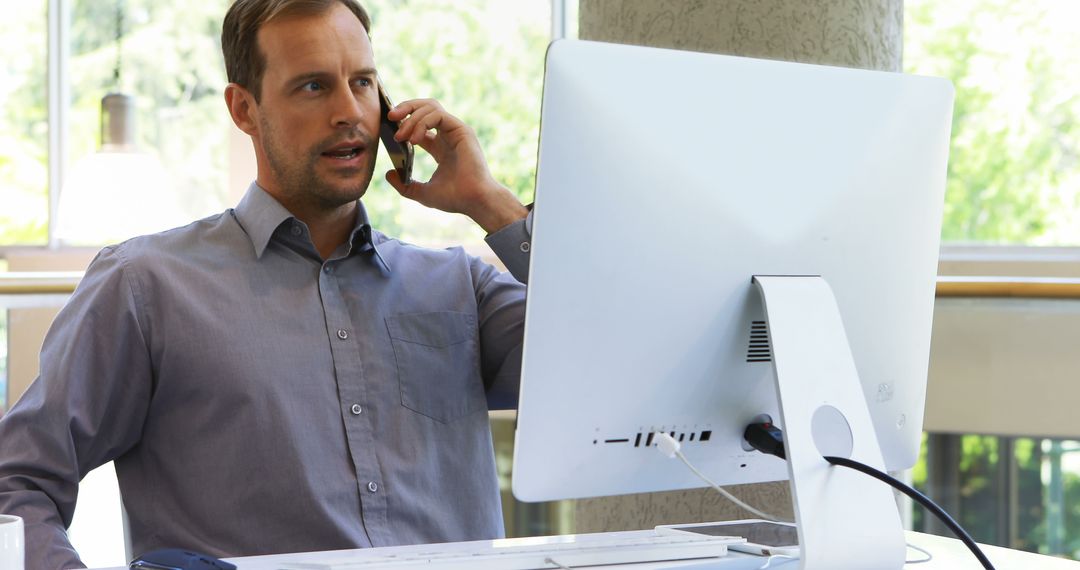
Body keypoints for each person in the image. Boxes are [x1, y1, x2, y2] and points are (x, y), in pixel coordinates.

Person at [0, 0, 533, 567]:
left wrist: (493, 204)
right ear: (244, 108)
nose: (349, 111)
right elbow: (17, 482)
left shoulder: (460, 288)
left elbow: (621, 376)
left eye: (362, 82)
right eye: (312, 86)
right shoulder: (145, 288)